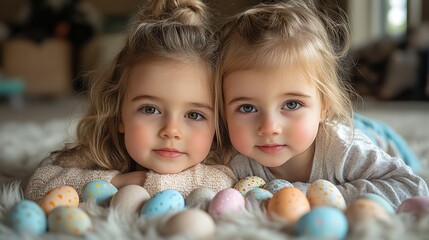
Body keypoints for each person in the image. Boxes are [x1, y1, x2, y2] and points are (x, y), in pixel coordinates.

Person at [214, 0, 428, 209]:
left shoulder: (343, 149)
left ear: (324, 105)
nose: (269, 127)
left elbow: (412, 187)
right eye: (247, 108)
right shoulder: (234, 160)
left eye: (291, 104)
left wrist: (312, 195)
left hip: (380, 138)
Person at [25, 0, 236, 202]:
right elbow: (38, 184)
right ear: (119, 113)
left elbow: (225, 182)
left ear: (217, 124)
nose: (171, 131)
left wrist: (149, 182)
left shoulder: (218, 159)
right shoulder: (105, 151)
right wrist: (116, 182)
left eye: (194, 115)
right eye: (150, 109)